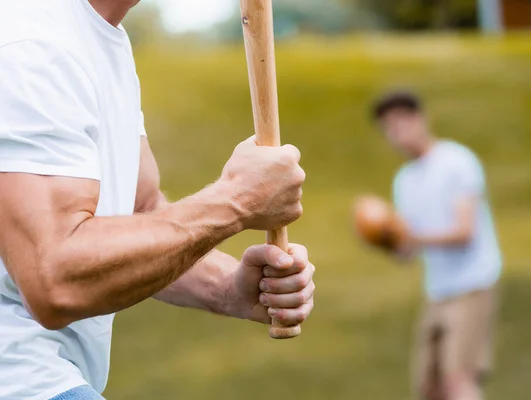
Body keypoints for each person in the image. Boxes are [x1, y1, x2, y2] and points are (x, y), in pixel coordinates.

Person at [0, 1, 316, 399]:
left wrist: (229, 287)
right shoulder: (30, 45)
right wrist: (235, 200)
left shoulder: (101, 38)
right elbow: (55, 279)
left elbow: (141, 212)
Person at [372, 91, 502, 400]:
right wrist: (384, 240)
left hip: (472, 284)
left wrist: (410, 237)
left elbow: (464, 232)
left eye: (401, 123)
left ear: (420, 119)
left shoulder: (456, 161)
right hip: (438, 290)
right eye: (388, 129)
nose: (396, 135)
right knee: (429, 388)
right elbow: (408, 252)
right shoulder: (404, 179)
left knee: (459, 381)